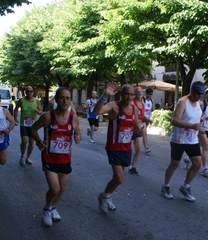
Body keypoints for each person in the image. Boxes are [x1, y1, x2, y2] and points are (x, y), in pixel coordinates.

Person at [30, 87, 81, 227]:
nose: (65, 101)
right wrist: (39, 142)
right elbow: (33, 129)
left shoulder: (73, 118)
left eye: (68, 98)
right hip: (49, 158)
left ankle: (53, 208)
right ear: (56, 99)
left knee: (62, 189)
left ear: (71, 101)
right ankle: (47, 209)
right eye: (62, 97)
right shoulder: (48, 116)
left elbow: (78, 133)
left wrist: (77, 137)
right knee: (55, 189)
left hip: (65, 159)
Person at [93, 83, 143, 213]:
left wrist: (141, 130)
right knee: (120, 178)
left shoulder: (134, 109)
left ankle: (107, 195)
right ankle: (104, 196)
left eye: (132, 94)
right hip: (114, 148)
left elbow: (136, 127)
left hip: (127, 148)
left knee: (117, 178)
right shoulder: (114, 106)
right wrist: (105, 96)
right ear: (121, 93)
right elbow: (96, 112)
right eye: (127, 93)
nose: (129, 97)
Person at [161, 81, 205, 202]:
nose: (200, 96)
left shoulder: (199, 104)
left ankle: (185, 186)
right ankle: (165, 186)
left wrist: (200, 127)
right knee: (175, 164)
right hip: (179, 139)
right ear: (192, 91)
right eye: (198, 93)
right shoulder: (183, 102)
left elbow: (196, 119)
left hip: (192, 139)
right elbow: (174, 120)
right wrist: (191, 126)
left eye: (201, 94)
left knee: (197, 164)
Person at [14, 86, 43, 165]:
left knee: (31, 142)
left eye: (31, 91)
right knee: (24, 141)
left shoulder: (36, 101)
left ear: (33, 92)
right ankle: (22, 156)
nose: (29, 93)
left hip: (33, 126)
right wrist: (15, 118)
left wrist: (38, 111)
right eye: (27, 91)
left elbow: (41, 111)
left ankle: (28, 157)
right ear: (25, 92)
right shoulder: (21, 100)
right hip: (24, 124)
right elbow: (16, 108)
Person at [128, 86, 152, 175]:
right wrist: (136, 124)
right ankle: (124, 163)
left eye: (141, 92)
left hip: (139, 128)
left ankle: (133, 167)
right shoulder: (131, 102)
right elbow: (130, 115)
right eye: (137, 92)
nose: (139, 93)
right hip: (131, 128)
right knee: (130, 149)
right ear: (134, 93)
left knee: (138, 149)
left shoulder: (143, 102)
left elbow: (142, 115)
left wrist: (147, 120)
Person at [142, 87, 154, 153]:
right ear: (146, 93)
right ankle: (146, 147)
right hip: (142, 118)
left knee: (140, 133)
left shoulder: (152, 100)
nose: (150, 95)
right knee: (144, 133)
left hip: (147, 119)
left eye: (151, 94)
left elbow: (152, 109)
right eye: (149, 94)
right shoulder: (143, 100)